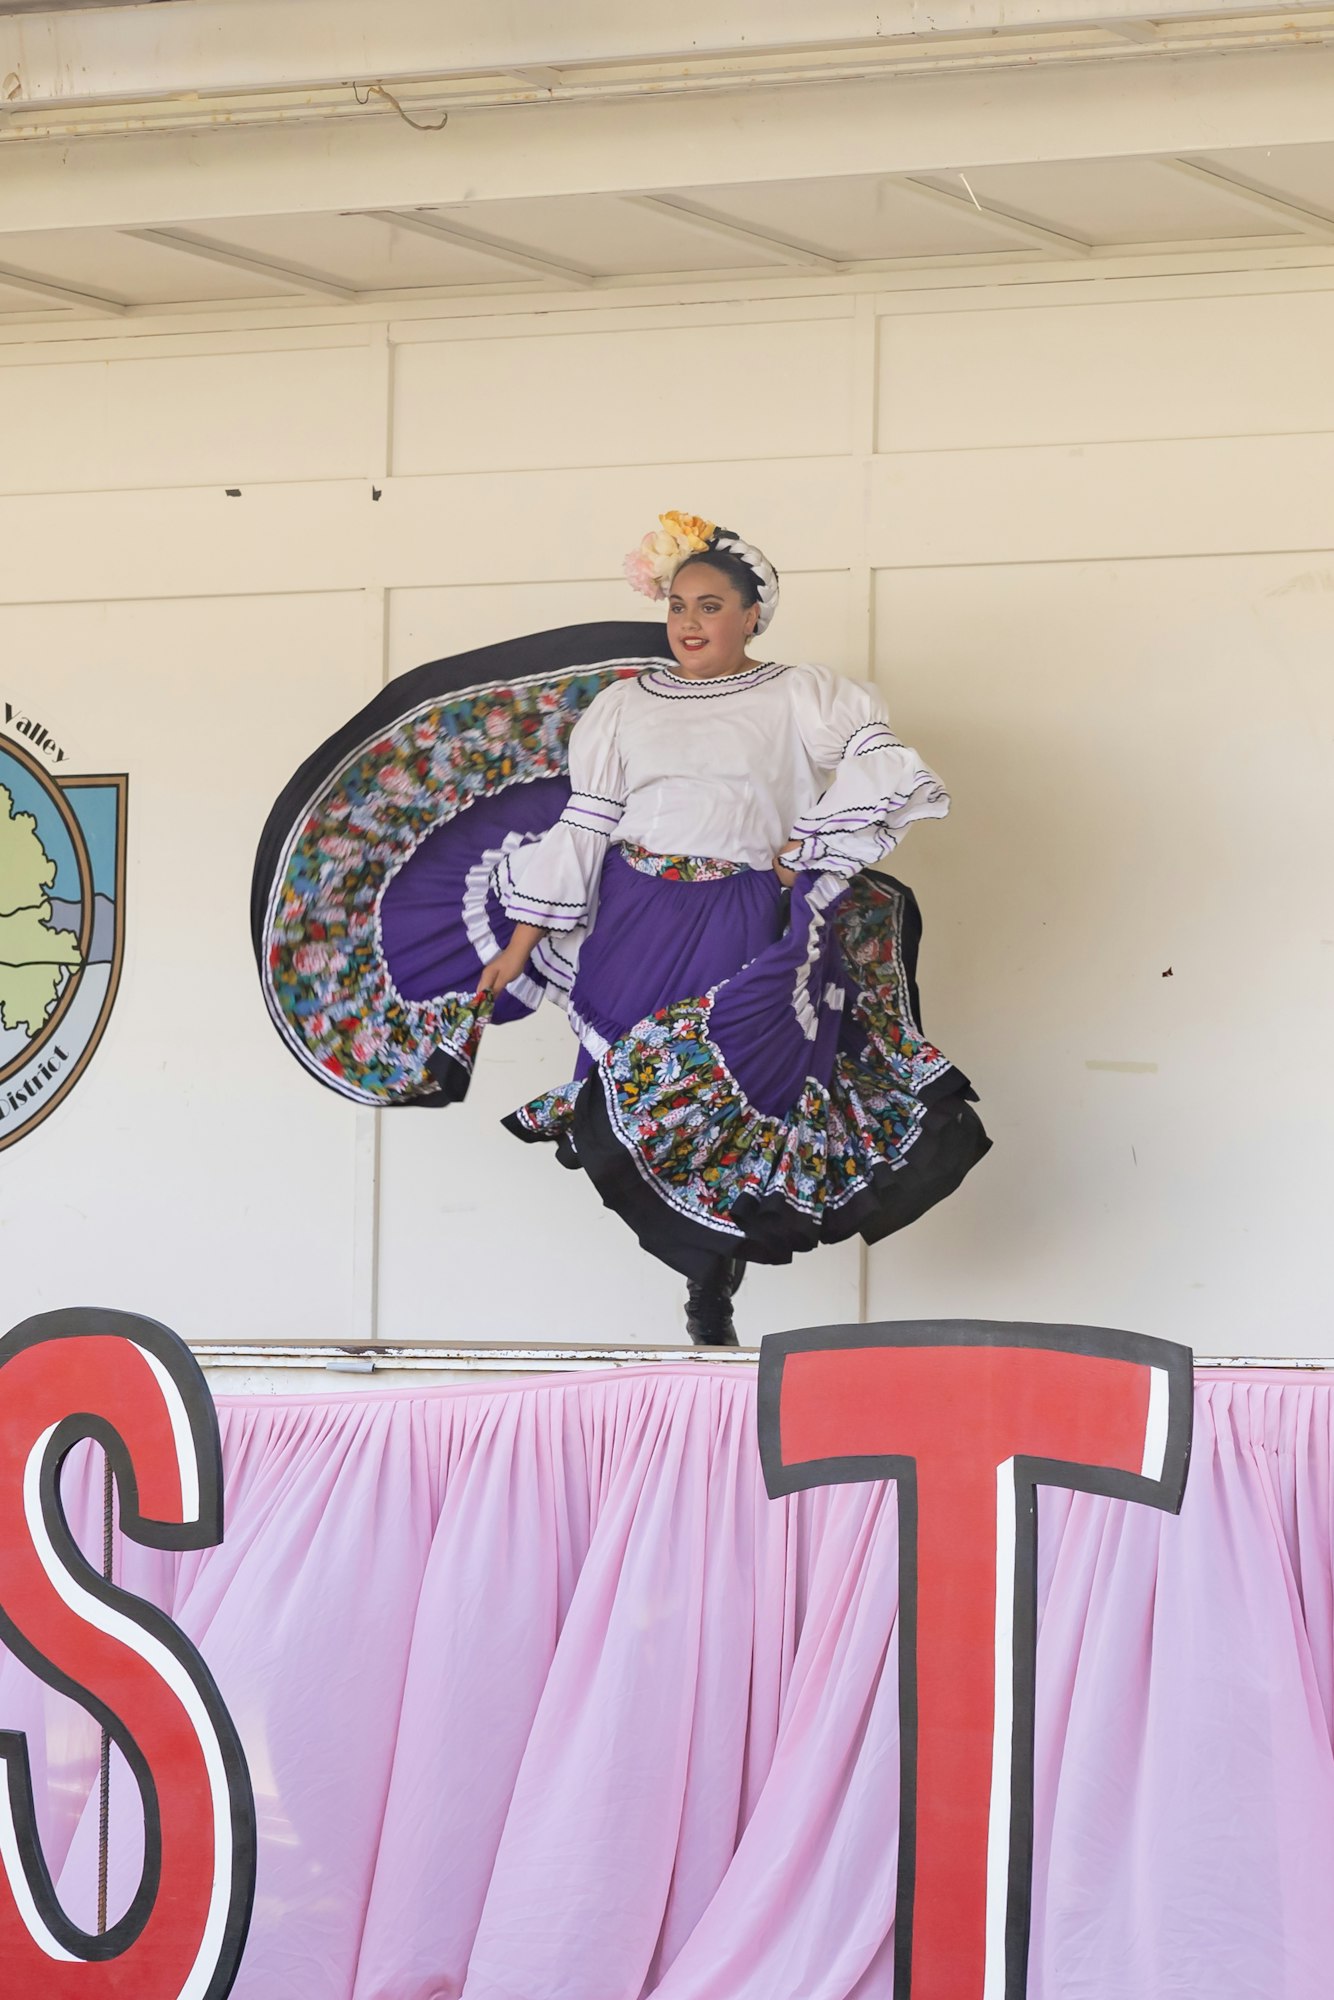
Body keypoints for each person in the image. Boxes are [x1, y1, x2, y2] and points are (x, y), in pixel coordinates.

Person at [474, 512, 990, 1344]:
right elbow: (584, 825)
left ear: (753, 615)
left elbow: (879, 757)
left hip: (739, 913)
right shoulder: (622, 707)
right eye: (677, 604)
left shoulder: (798, 693)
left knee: (727, 1097)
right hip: (636, 916)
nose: (687, 622)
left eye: (710, 606)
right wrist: (518, 948)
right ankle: (699, 1266)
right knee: (633, 1093)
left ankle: (711, 1282)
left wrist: (812, 843)